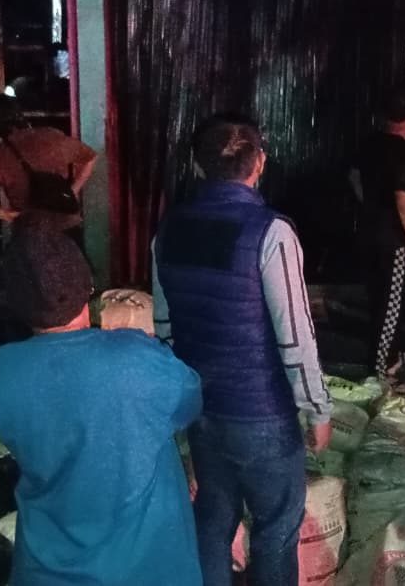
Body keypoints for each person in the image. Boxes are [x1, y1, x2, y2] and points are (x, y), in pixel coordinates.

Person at [152, 113, 333, 586]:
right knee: (275, 529)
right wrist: (317, 408)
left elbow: (165, 328)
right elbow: (295, 335)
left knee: (214, 517)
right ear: (260, 163)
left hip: (201, 410)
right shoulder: (272, 232)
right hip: (262, 415)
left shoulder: (168, 231)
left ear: (197, 166)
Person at [0, 226, 203, 585]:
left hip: (47, 570)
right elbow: (189, 402)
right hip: (146, 568)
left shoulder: (1, 370)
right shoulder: (134, 358)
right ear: (88, 288)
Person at [349, 87, 405, 390]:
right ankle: (382, 372)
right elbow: (404, 201)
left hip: (368, 232)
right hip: (393, 239)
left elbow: (353, 177)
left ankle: (388, 358)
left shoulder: (369, 144)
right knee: (391, 306)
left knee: (377, 301)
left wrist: (370, 203)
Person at [0, 95, 96, 239]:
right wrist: (73, 190)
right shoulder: (51, 135)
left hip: (30, 232)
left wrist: (5, 215)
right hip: (67, 226)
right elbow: (90, 157)